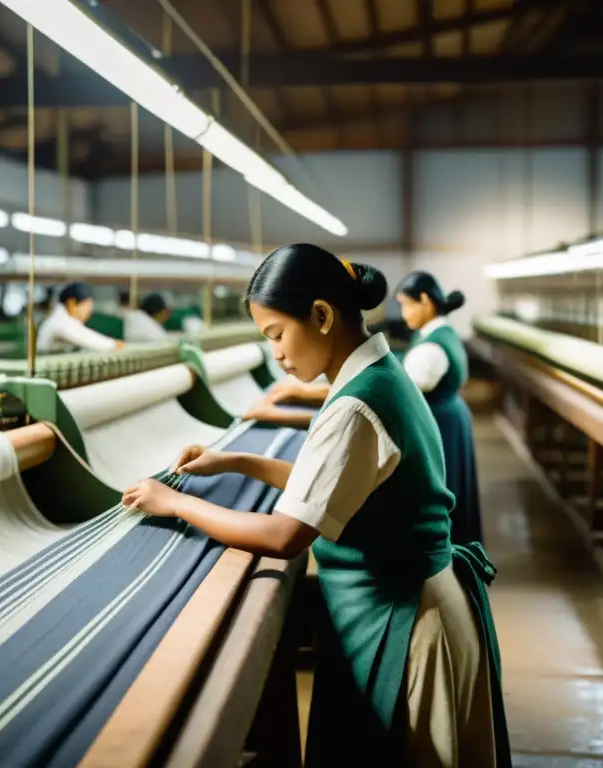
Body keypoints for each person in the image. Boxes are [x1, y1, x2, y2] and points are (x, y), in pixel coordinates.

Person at [122, 243, 509, 768]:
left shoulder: (355, 403)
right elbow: (334, 489)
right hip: (420, 601)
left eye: (277, 334)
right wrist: (234, 461)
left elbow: (287, 533)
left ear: (322, 316)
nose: (276, 354)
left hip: (407, 621)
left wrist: (175, 505)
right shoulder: (379, 375)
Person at [396, 271, 482, 547]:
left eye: (406, 305)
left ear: (425, 301)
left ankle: (446, 555)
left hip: (441, 423)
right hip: (449, 416)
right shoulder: (439, 333)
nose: (404, 313)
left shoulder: (431, 348)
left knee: (443, 490)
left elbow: (402, 393)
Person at [35, 282, 124, 353]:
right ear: (71, 304)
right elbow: (87, 338)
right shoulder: (59, 321)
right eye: (87, 307)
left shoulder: (66, 319)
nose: (89, 312)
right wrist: (112, 344)